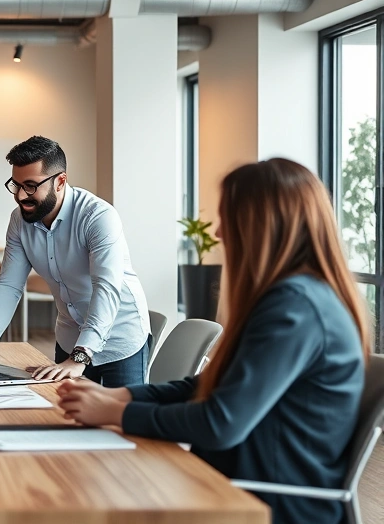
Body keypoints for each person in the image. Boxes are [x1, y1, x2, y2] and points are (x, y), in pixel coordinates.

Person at [58, 158, 370, 524]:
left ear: (261, 227)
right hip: (235, 484)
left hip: (266, 503)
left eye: (228, 219)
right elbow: (209, 386)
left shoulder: (295, 309)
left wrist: (117, 413)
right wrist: (122, 396)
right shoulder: (293, 298)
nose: (219, 233)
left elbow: (221, 424)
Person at [0, 136, 150, 387]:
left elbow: (106, 287)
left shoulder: (98, 216)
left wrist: (80, 357)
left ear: (60, 181)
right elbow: (9, 285)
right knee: (62, 416)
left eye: (31, 186)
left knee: (122, 421)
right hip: (69, 337)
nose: (21, 195)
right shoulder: (19, 221)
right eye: (16, 185)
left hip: (120, 340)